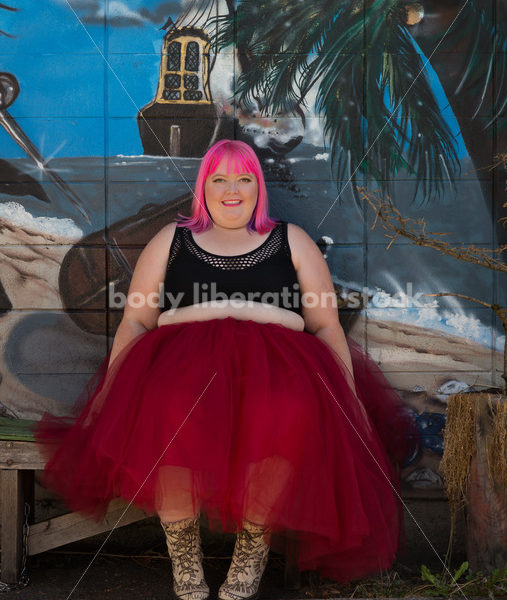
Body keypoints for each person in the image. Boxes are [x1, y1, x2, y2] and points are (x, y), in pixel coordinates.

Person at [35, 139, 416, 600]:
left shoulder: (290, 240)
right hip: (182, 370)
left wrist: (348, 394)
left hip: (276, 372)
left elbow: (325, 324)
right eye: (219, 178)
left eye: (243, 178)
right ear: (203, 188)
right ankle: (185, 560)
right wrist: (111, 387)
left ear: (259, 187)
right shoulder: (172, 239)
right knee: (171, 410)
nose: (231, 189)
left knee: (286, 411)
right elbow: (136, 318)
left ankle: (250, 556)